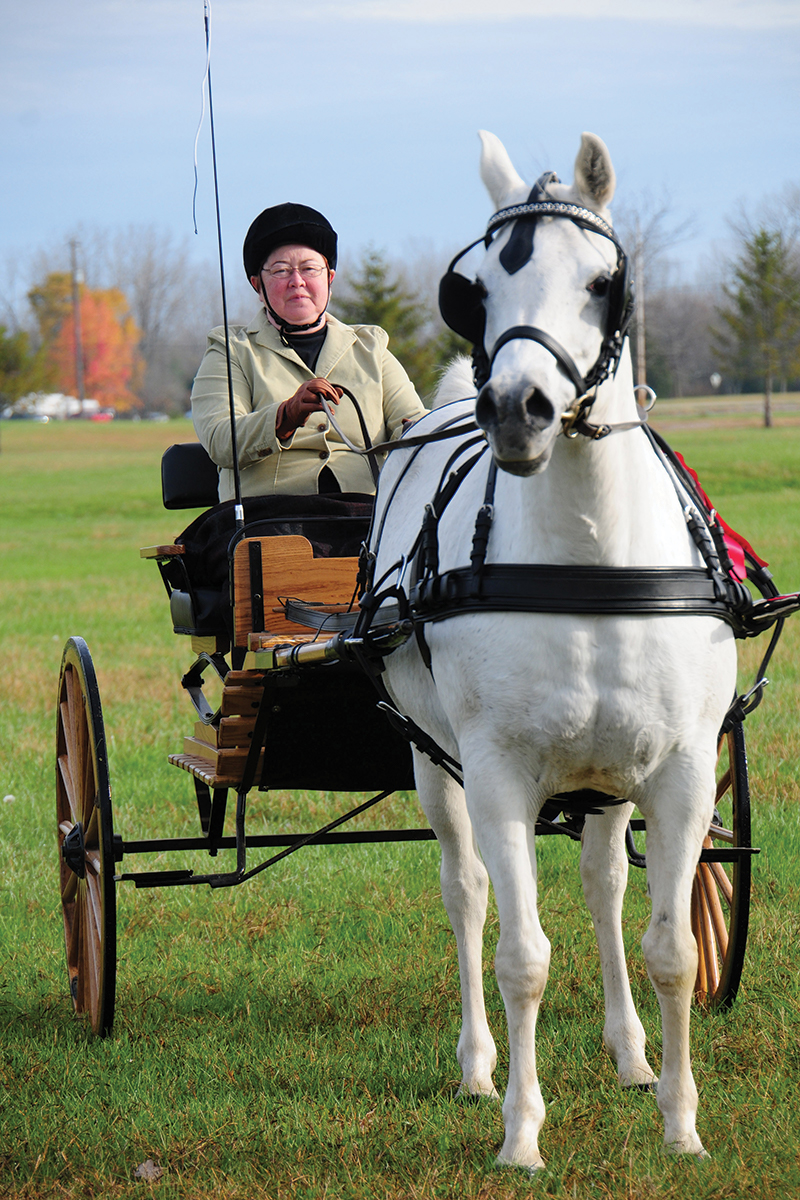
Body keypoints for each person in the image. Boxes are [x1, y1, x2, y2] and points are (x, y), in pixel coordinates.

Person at [191, 203, 427, 500]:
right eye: (280, 271)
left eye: (309, 269)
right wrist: (286, 416)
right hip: (269, 519)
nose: (297, 281)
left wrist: (433, 428)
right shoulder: (231, 350)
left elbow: (413, 422)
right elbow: (220, 439)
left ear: (329, 278)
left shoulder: (370, 346)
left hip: (367, 518)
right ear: (258, 285)